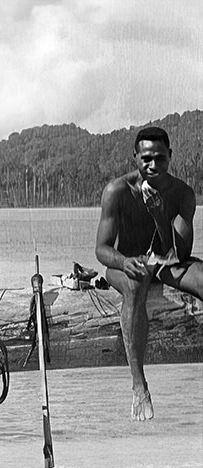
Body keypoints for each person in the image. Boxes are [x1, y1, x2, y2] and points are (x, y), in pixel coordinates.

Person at [95, 126, 201, 421]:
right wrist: (123, 261)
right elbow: (102, 250)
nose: (153, 165)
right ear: (135, 157)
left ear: (170, 157)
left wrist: (159, 215)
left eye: (160, 158)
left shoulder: (181, 194)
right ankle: (139, 384)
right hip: (127, 265)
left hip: (166, 262)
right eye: (146, 159)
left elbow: (178, 253)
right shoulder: (117, 191)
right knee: (134, 283)